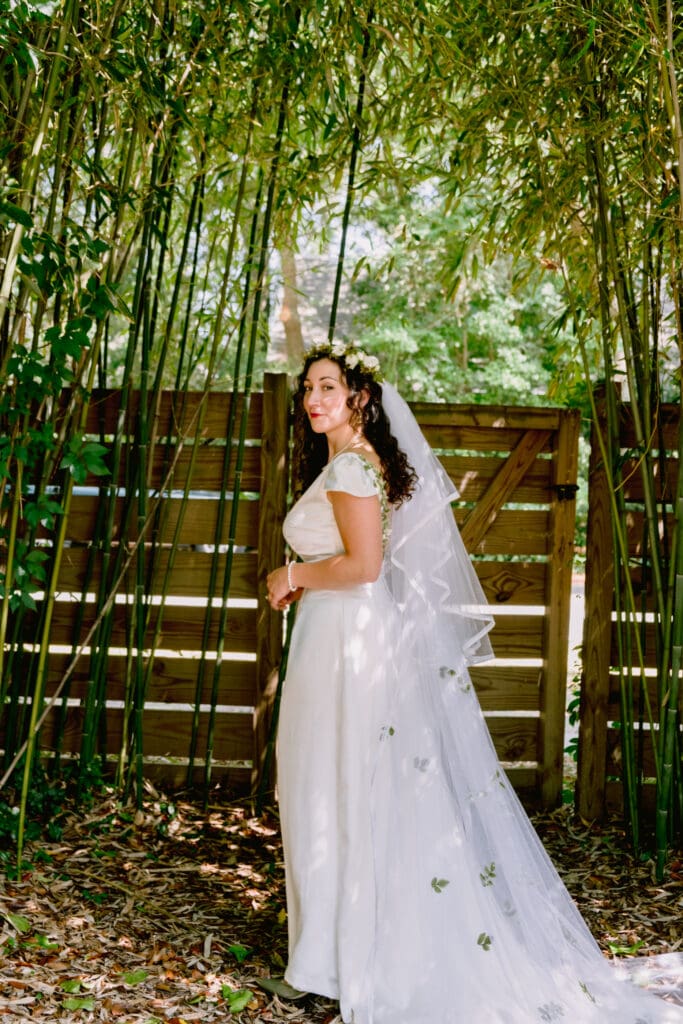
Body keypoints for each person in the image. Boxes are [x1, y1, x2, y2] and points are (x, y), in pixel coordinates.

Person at [266, 342, 683, 1024]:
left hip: (344, 643)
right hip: (344, 636)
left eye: (327, 386)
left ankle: (330, 962)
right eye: (307, 389)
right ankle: (332, 954)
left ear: (358, 398)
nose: (313, 399)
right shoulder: (358, 463)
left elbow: (364, 567)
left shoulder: (347, 466)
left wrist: (291, 576)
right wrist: (310, 580)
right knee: (338, 787)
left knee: (326, 787)